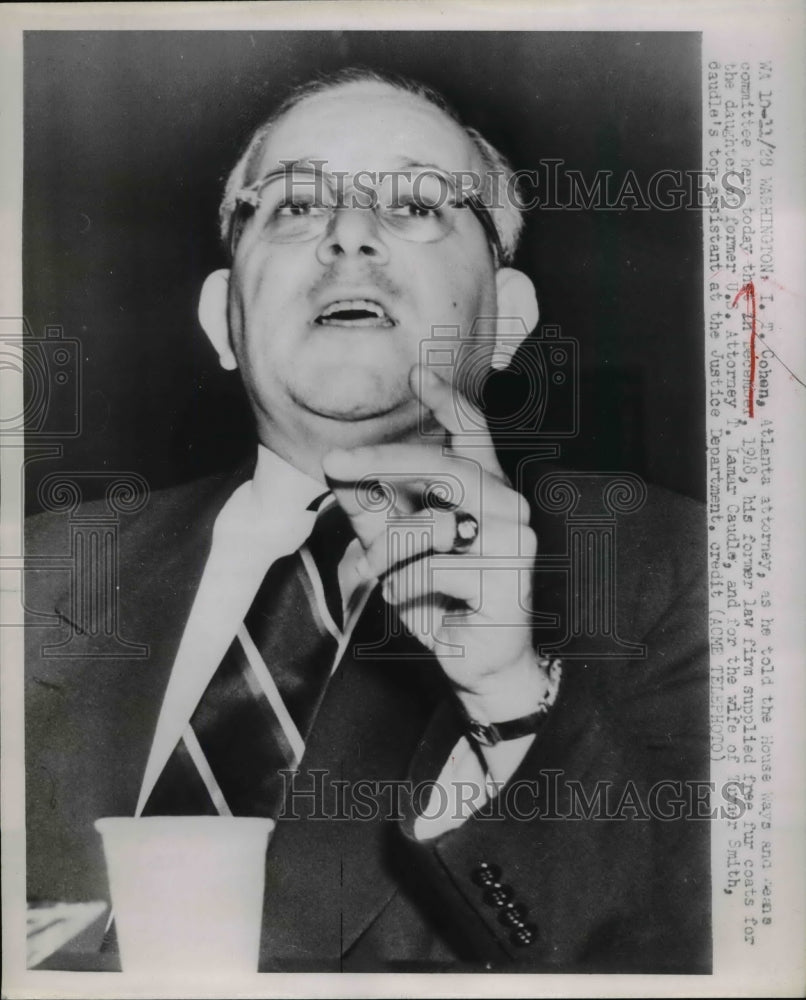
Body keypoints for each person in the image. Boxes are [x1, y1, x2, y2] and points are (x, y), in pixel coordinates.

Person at [25, 68, 710, 973]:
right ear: (221, 321)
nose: (349, 233)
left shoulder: (689, 574)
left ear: (507, 320)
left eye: (421, 204)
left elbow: (701, 961)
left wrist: (508, 701)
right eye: (295, 204)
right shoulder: (35, 572)